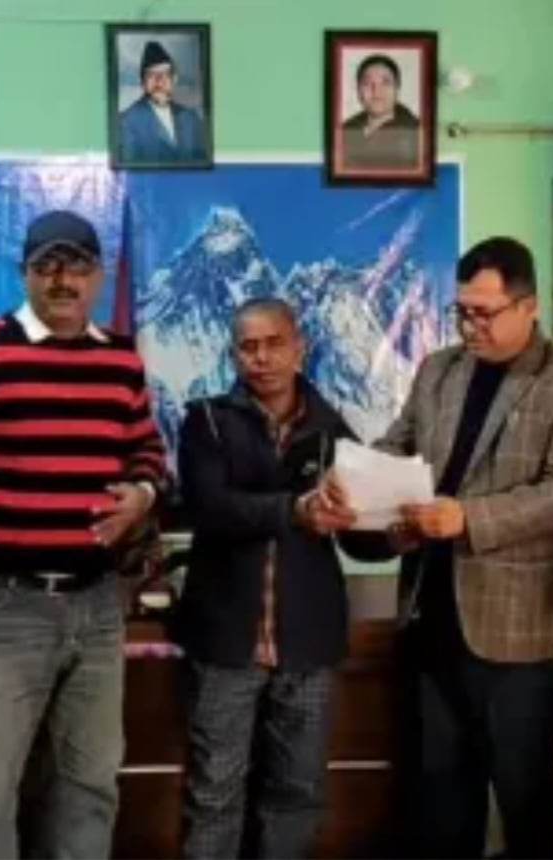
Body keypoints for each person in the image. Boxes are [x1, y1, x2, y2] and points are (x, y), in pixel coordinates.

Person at [0, 209, 167, 859]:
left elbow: (147, 452)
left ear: (98, 275)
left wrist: (142, 493)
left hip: (97, 604)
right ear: (24, 273)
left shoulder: (121, 360)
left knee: (90, 785)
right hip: (3, 605)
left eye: (77, 266)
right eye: (46, 265)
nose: (62, 280)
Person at [374, 236, 553, 858]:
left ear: (528, 307)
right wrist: (359, 483)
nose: (470, 326)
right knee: (442, 803)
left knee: (523, 799)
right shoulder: (439, 370)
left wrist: (467, 518)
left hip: (520, 631)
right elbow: (397, 445)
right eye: (461, 311)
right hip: (432, 617)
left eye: (485, 313)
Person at [176, 297, 391, 859]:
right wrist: (293, 511)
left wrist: (397, 531)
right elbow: (210, 508)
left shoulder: (331, 429)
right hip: (225, 641)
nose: (262, 358)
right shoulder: (206, 421)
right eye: (248, 347)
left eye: (274, 344)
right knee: (214, 793)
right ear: (233, 355)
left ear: (300, 349)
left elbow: (357, 535)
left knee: (297, 793)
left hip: (308, 642)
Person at [117, 40, 208, 166]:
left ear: (174, 79)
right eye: (151, 75)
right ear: (143, 82)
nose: (159, 81)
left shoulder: (191, 118)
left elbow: (203, 162)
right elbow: (129, 170)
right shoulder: (127, 121)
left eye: (165, 74)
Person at [341, 53, 420, 171]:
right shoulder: (345, 130)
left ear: (397, 88)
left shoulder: (416, 131)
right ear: (358, 90)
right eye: (367, 83)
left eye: (386, 82)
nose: (376, 90)